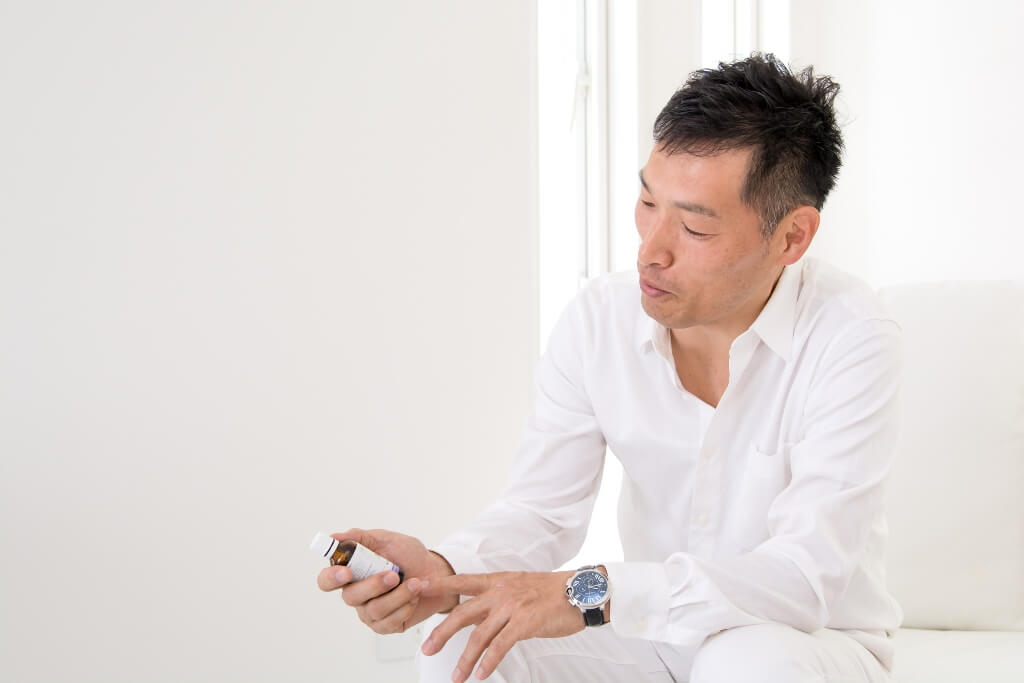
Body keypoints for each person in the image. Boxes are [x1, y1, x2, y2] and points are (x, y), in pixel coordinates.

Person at [316, 53, 903, 683]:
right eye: (647, 202)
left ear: (791, 237)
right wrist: (441, 572)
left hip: (807, 645)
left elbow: (803, 576)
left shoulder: (851, 337)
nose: (651, 250)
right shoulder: (600, 319)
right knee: (461, 643)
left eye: (694, 228)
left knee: (744, 662)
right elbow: (541, 511)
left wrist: (590, 594)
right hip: (659, 637)